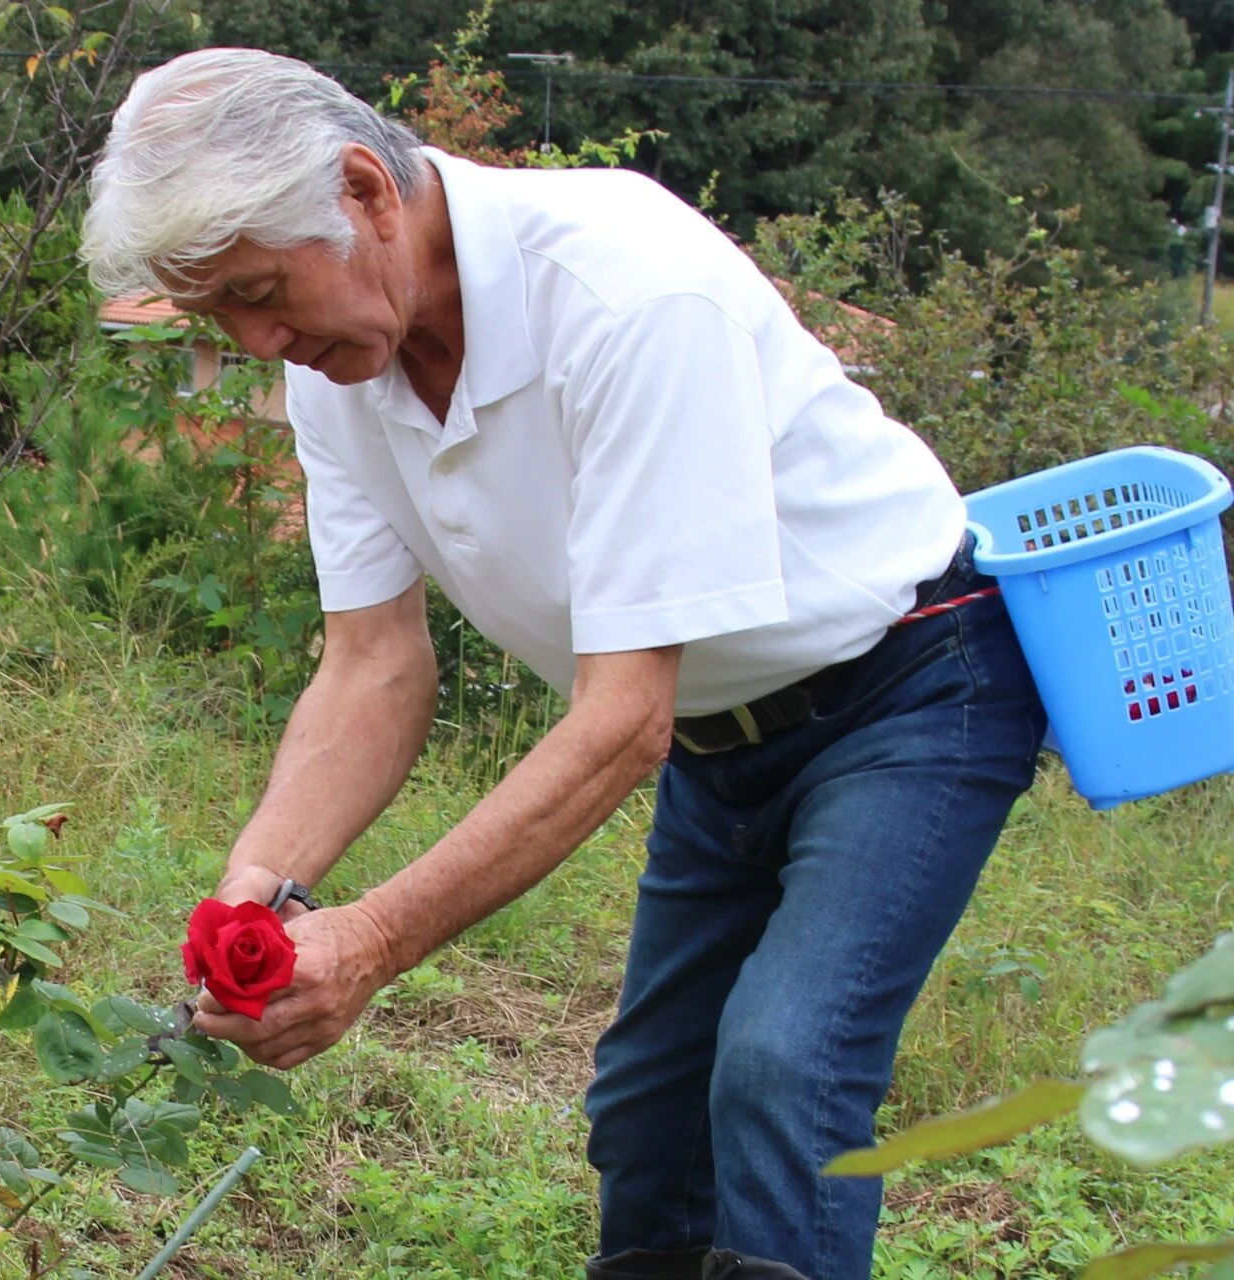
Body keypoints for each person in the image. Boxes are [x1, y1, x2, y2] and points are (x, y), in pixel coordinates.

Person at [80, 47, 1046, 1280]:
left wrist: (367, 940)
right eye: (220, 314)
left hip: (907, 685)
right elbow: (371, 666)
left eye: (264, 290)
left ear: (368, 193)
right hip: (716, 733)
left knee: (781, 1066)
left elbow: (621, 718)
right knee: (647, 1108)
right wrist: (256, 896)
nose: (258, 337)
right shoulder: (338, 365)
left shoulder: (624, 292)